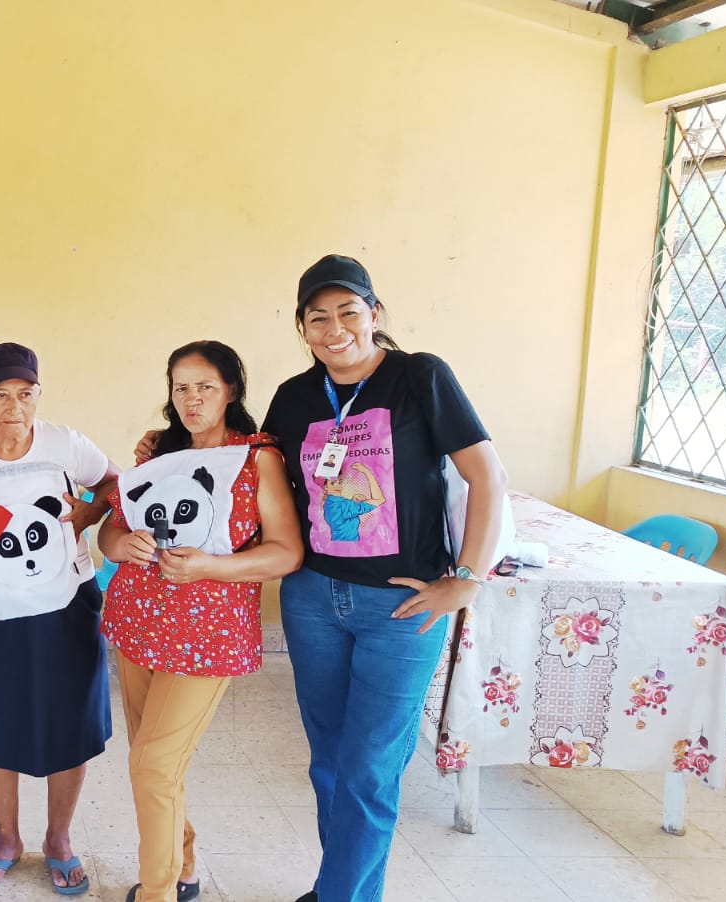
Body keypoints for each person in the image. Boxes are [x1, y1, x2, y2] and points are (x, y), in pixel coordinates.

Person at [261, 255, 507, 902]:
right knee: (328, 761)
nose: (334, 328)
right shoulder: (292, 398)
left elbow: (487, 476)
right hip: (313, 598)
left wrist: (467, 578)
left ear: (374, 313)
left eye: (348, 311)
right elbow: (253, 476)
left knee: (369, 767)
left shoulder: (419, 376)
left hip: (402, 607)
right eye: (318, 317)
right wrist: (167, 444)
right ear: (302, 327)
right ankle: (342, 889)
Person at [101, 341, 303, 902]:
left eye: (205, 387)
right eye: (181, 388)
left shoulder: (256, 459)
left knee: (153, 764)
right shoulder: (160, 456)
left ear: (231, 390)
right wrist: (122, 545)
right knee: (153, 762)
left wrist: (210, 567)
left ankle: (158, 891)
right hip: (137, 624)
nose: (192, 400)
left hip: (207, 637)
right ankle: (184, 862)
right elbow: (110, 531)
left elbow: (287, 552)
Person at [0, 343, 120, 896]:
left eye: (26, 394)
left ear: (38, 396)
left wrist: (90, 511)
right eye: (1, 395)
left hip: (67, 606)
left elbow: (115, 483)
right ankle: (6, 839)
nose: (15, 407)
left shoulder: (65, 444)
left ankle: (59, 839)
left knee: (71, 724)